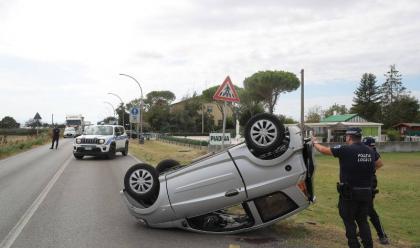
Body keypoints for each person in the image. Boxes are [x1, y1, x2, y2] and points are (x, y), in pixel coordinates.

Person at [312, 127, 383, 248]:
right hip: (366, 193)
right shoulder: (370, 150)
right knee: (362, 221)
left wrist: (315, 143)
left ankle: (354, 245)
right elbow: (379, 163)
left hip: (350, 194)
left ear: (349, 137)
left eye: (346, 136)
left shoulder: (346, 149)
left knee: (349, 221)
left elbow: (324, 150)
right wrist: (364, 169)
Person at [362, 137, 389, 245]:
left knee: (369, 210)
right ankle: (364, 231)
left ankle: (382, 235)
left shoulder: (372, 152)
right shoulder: (371, 152)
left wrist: (369, 170)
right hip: (366, 182)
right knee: (363, 209)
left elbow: (380, 164)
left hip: (369, 184)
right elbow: (379, 165)